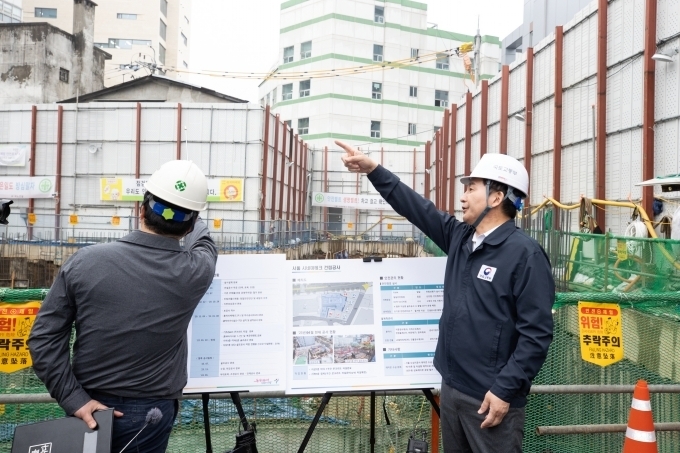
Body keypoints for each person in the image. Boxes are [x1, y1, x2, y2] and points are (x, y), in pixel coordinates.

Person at [337, 140, 554, 452]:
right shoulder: (461, 237)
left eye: (471, 188)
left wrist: (505, 390)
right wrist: (373, 170)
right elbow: (415, 207)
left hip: (490, 398)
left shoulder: (525, 255)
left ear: (496, 196)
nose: (462, 197)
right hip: (452, 388)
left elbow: (537, 334)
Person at [28, 160, 218, 452]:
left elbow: (43, 338)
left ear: (140, 210)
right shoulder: (195, 270)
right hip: (152, 415)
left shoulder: (85, 262)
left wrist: (74, 399)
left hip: (88, 408)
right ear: (191, 222)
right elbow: (204, 242)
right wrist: (187, 204)